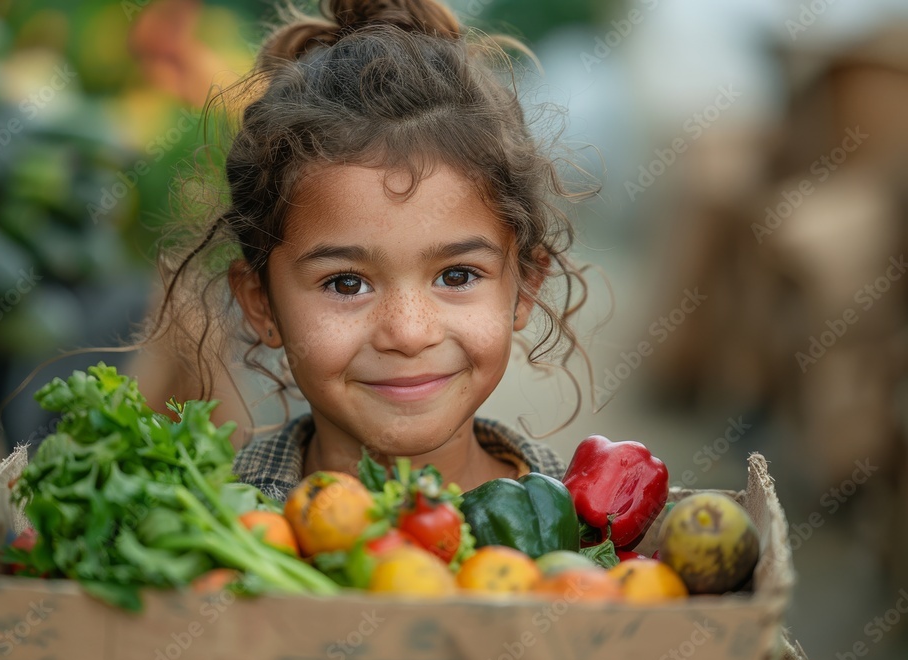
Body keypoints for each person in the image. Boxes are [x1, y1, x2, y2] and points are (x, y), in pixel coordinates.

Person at [135, 0, 597, 502]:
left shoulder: (590, 533)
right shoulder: (221, 532)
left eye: (458, 276)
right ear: (260, 303)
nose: (408, 333)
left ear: (525, 285)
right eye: (346, 282)